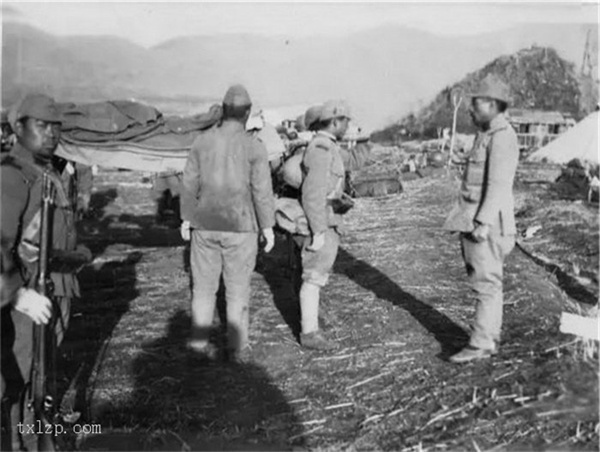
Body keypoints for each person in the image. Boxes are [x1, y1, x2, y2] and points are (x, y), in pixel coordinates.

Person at [1, 93, 88, 450]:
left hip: (54, 288)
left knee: (41, 378)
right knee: (16, 381)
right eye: (41, 125)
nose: (51, 134)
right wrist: (18, 294)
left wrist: (76, 255)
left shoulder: (47, 171)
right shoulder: (12, 174)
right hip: (25, 298)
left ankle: (32, 439)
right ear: (19, 127)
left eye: (56, 127)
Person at [180, 85, 276, 361]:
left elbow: (189, 183)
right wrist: (267, 227)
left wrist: (186, 218)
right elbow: (261, 190)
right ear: (247, 113)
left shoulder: (201, 142)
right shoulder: (254, 146)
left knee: (202, 288)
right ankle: (237, 347)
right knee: (237, 290)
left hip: (204, 225)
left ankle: (198, 345)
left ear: (223, 110)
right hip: (241, 227)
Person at [443, 74, 519, 363]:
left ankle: (480, 344)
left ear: (491, 104)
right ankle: (488, 338)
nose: (470, 109)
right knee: (488, 284)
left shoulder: (502, 136)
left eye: (475, 104)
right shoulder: (487, 134)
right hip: (480, 220)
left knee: (485, 284)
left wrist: (484, 223)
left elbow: (498, 184)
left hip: (489, 224)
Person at [299, 100, 352, 350]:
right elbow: (312, 194)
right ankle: (309, 333)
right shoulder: (321, 148)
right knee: (313, 277)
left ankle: (311, 326)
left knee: (317, 276)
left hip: (329, 217)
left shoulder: (328, 145)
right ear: (334, 122)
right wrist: (318, 231)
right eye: (345, 121)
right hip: (322, 220)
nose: (347, 126)